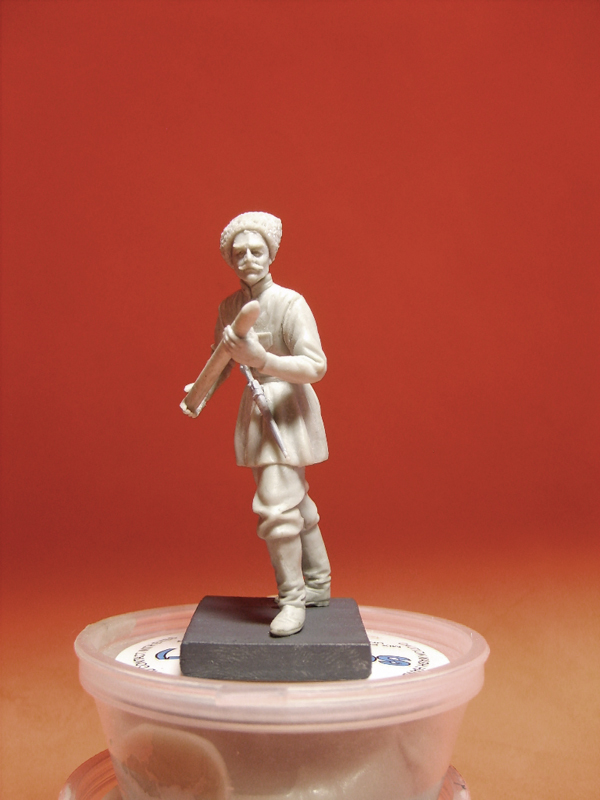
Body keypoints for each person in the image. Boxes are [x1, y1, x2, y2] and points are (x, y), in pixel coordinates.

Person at [191, 212, 331, 636]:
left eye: (256, 251)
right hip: (257, 410)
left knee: (275, 505)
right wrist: (200, 390)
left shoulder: (290, 303)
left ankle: (293, 599)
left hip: (287, 407)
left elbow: (315, 366)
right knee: (293, 501)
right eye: (239, 253)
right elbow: (220, 362)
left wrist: (264, 360)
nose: (248, 259)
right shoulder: (229, 308)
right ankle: (319, 582)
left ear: (270, 255)